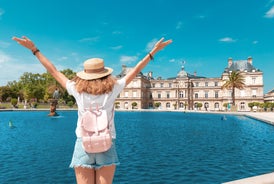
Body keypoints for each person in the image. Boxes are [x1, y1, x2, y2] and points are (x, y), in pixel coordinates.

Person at [12, 35, 172, 184]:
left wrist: (34, 50)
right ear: (105, 74)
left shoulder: (76, 89)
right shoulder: (114, 88)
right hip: (107, 141)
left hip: (83, 143)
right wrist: (153, 52)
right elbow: (136, 70)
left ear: (85, 74)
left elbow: (53, 71)